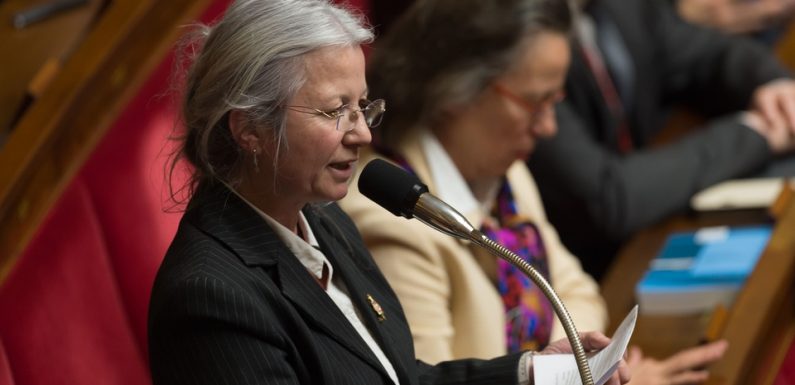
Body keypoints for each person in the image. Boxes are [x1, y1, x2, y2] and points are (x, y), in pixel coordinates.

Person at [147, 1, 629, 384]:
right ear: (250, 128)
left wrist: (534, 373)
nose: (360, 134)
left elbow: (400, 377)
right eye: (335, 111)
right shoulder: (211, 298)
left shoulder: (321, 216)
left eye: (363, 107)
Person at [339, 0, 728, 383]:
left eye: (554, 102)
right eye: (536, 102)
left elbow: (579, 290)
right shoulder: (390, 223)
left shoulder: (502, 168)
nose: (548, 128)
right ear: (456, 89)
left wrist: (571, 372)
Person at [527, 0, 795, 280]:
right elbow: (608, 197)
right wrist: (753, 133)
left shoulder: (620, 8)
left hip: (652, 224)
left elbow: (708, 54)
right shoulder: (525, 52)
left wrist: (774, 87)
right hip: (593, 269)